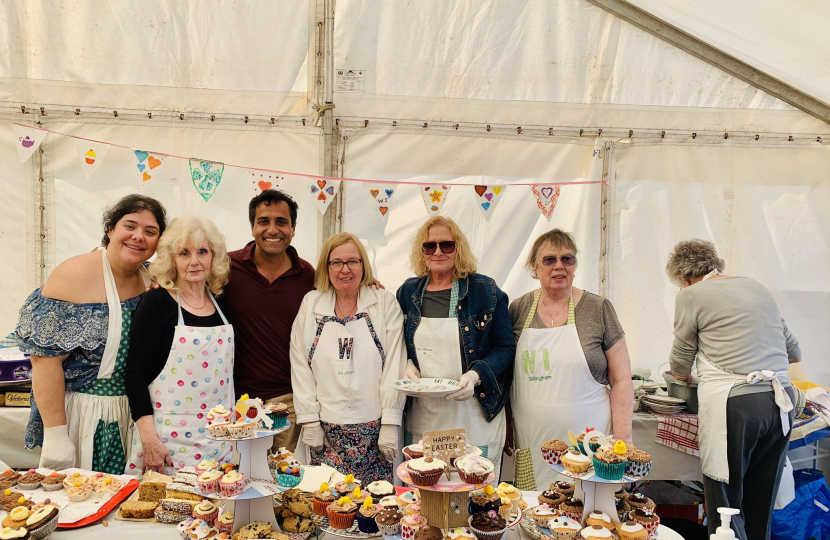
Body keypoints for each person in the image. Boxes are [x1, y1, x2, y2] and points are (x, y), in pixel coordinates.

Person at [15, 195, 167, 472]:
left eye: (150, 231)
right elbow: (44, 361)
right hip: (86, 414)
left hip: (136, 414)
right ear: (110, 230)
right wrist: (57, 435)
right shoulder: (74, 274)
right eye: (129, 226)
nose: (138, 237)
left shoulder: (152, 279)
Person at [666, 239, 800, 540]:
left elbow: (679, 367)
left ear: (683, 278)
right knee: (761, 498)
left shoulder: (690, 295)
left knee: (725, 498)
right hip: (782, 401)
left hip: (738, 404)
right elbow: (794, 352)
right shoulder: (755, 287)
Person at [508, 229, 634, 489]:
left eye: (567, 259)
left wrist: (624, 439)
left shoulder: (598, 309)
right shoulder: (518, 309)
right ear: (533, 266)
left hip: (589, 446)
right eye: (549, 260)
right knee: (536, 515)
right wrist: (507, 425)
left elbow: (621, 379)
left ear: (575, 265)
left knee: (588, 518)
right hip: (532, 443)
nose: (559, 267)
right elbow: (508, 375)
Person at [397, 217, 515, 480]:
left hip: (473, 409)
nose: (438, 252)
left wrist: (476, 376)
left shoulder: (485, 291)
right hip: (426, 413)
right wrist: (406, 363)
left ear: (458, 248)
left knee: (472, 488)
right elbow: (394, 340)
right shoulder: (408, 293)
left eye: (446, 245)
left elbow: (506, 347)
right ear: (422, 252)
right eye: (430, 246)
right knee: (427, 486)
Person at [290, 233, 405, 482]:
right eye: (337, 262)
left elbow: (395, 363)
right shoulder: (311, 304)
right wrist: (309, 420)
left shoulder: (384, 303)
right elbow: (300, 364)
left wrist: (390, 422)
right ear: (326, 267)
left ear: (364, 265)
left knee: (374, 510)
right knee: (327, 508)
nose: (345, 269)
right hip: (324, 428)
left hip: (374, 428)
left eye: (353, 261)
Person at [125, 216, 234, 474]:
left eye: (202, 252)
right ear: (172, 260)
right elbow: (134, 374)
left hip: (219, 444)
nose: (194, 261)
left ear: (213, 257)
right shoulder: (157, 303)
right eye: (184, 253)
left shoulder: (222, 305)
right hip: (167, 446)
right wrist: (150, 441)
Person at [222, 190, 315, 452]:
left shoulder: (308, 276)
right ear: (252, 227)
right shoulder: (226, 267)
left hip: (288, 403)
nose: (272, 229)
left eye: (281, 221)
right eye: (263, 221)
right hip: (237, 402)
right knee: (238, 482)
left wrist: (369, 285)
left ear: (293, 228)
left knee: (282, 482)